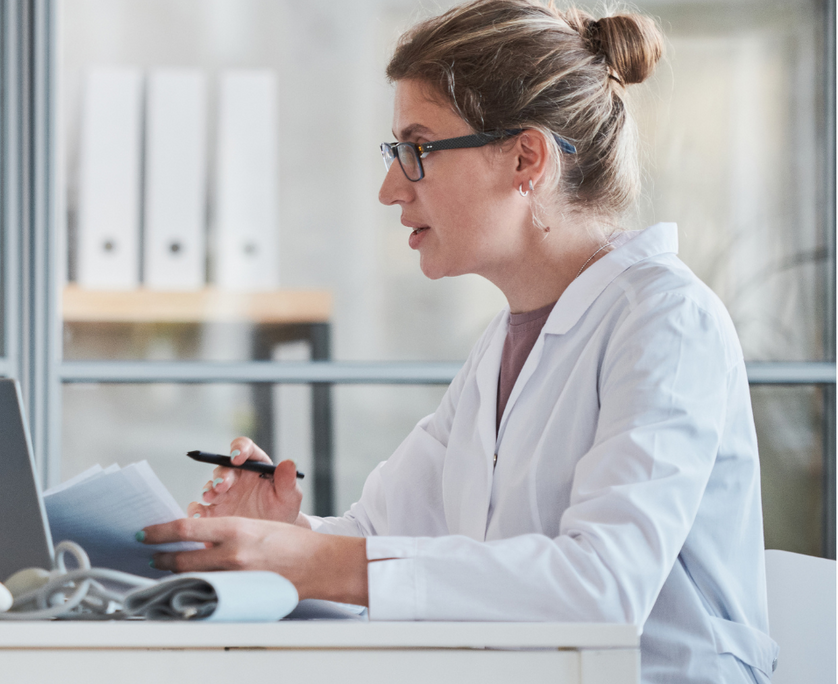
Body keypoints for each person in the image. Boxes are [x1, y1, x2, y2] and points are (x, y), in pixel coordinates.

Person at [141, 2, 774, 682]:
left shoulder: (666, 321)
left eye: (416, 150)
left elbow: (602, 588)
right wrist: (283, 537)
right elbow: (381, 543)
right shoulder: (502, 346)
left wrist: (312, 560)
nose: (390, 189)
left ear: (525, 158)